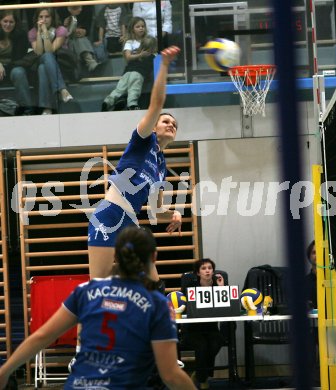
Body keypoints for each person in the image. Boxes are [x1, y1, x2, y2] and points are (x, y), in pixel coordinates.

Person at [0, 226, 196, 390]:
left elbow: (42, 336)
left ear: (115, 256)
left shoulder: (86, 291)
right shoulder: (157, 304)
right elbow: (170, 375)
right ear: (154, 257)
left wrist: (5, 370)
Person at [88, 45, 182, 282]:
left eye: (174, 125)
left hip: (131, 223)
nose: (170, 124)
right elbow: (156, 104)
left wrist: (173, 215)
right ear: (155, 126)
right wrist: (164, 65)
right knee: (98, 283)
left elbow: (155, 211)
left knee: (152, 282)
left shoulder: (162, 165)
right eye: (166, 121)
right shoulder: (143, 140)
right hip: (110, 215)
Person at [181, 259, 226, 390]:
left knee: (215, 343)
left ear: (213, 271)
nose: (207, 271)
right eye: (203, 268)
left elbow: (226, 308)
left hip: (211, 329)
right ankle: (204, 378)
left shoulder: (219, 286)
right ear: (198, 273)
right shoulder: (190, 287)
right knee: (202, 345)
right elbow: (183, 307)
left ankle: (200, 375)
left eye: (210, 268)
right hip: (192, 329)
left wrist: (221, 288)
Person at [101, 18, 157, 111]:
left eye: (143, 26)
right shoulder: (131, 42)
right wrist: (140, 55)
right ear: (132, 29)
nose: (141, 28)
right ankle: (132, 104)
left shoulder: (147, 41)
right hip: (136, 72)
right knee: (134, 88)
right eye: (138, 26)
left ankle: (108, 101)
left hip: (128, 71)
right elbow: (128, 57)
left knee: (120, 89)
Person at [28, 7, 73, 115]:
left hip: (60, 64)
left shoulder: (60, 29)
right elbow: (39, 52)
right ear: (36, 18)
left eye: (47, 16)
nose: (44, 19)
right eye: (41, 17)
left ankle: (46, 108)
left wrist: (45, 31)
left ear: (52, 18)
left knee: (44, 65)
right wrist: (39, 32)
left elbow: (50, 50)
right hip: (42, 62)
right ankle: (62, 90)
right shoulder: (32, 32)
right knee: (43, 64)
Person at [0, 10, 33, 115]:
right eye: (5, 21)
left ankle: (27, 110)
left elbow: (19, 59)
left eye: (11, 22)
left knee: (18, 72)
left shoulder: (20, 35)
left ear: (15, 23)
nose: (8, 24)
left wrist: (4, 67)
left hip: (13, 67)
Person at [305, 240, 336, 310]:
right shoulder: (305, 282)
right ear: (309, 256)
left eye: (320, 252)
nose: (317, 255)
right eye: (314, 252)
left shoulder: (335, 279)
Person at [59, 4, 99, 72]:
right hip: (65, 42)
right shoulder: (60, 10)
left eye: (80, 7)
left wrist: (84, 31)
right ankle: (90, 62)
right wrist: (65, 27)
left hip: (81, 39)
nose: (80, 9)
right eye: (76, 8)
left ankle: (88, 62)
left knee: (80, 39)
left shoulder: (87, 8)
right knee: (76, 40)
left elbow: (88, 28)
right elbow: (60, 32)